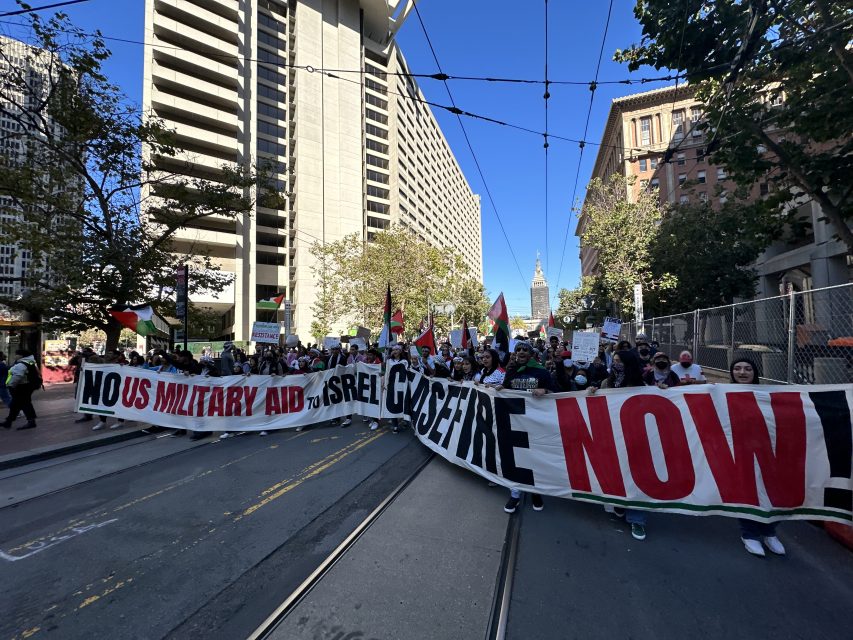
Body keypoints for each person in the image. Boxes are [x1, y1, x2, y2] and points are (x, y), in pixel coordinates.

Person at [588, 349, 649, 540]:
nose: (616, 364)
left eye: (620, 361)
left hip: (634, 439)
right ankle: (619, 503)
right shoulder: (607, 383)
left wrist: (663, 390)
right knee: (615, 473)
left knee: (636, 478)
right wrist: (593, 392)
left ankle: (637, 519)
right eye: (614, 361)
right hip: (612, 437)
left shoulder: (641, 385)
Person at [729, 357, 787, 557]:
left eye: (747, 369)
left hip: (767, 452)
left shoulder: (767, 394)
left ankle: (769, 532)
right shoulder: (720, 393)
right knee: (747, 494)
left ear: (755, 372)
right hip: (739, 453)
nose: (742, 372)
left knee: (773, 494)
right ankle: (750, 534)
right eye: (737, 368)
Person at [495, 341, 557, 514]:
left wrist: (545, 391)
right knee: (514, 459)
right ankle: (515, 494)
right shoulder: (511, 370)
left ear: (531, 354)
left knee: (534, 458)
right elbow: (507, 387)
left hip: (535, 423)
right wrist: (501, 387)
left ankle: (536, 492)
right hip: (515, 422)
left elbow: (556, 393)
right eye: (518, 349)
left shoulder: (541, 372)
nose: (521, 352)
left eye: (524, 350)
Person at [1, 348, 39, 430]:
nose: (15, 356)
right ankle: (8, 421)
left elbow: (18, 376)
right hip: (26, 386)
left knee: (24, 404)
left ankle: (31, 421)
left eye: (16, 354)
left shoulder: (21, 364)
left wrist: (11, 385)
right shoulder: (29, 362)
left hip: (21, 387)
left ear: (21, 356)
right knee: (15, 404)